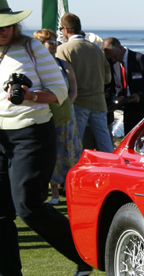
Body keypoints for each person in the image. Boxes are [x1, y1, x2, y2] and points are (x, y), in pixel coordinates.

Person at [0, 2, 91, 276]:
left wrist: (30, 96)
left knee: (28, 206)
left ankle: (85, 256)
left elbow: (60, 92)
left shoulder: (32, 48)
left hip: (31, 134)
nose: (3, 29)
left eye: (7, 24)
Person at [34, 28, 80, 206]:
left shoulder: (63, 64)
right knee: (49, 153)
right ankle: (52, 192)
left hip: (67, 116)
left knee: (69, 152)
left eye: (55, 42)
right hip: (45, 115)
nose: (55, 46)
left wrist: (66, 105)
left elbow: (74, 88)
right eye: (50, 43)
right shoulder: (36, 67)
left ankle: (69, 190)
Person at [55, 12, 112, 154]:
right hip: (99, 101)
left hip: (78, 102)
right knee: (104, 141)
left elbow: (61, 78)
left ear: (65, 30)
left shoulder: (63, 49)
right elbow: (108, 79)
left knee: (76, 142)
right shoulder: (97, 50)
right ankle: (112, 168)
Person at [101, 37, 144, 134]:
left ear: (120, 48)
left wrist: (140, 95)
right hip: (128, 108)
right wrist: (117, 95)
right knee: (130, 136)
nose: (113, 59)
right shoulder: (114, 62)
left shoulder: (139, 58)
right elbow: (115, 84)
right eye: (111, 58)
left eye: (114, 56)